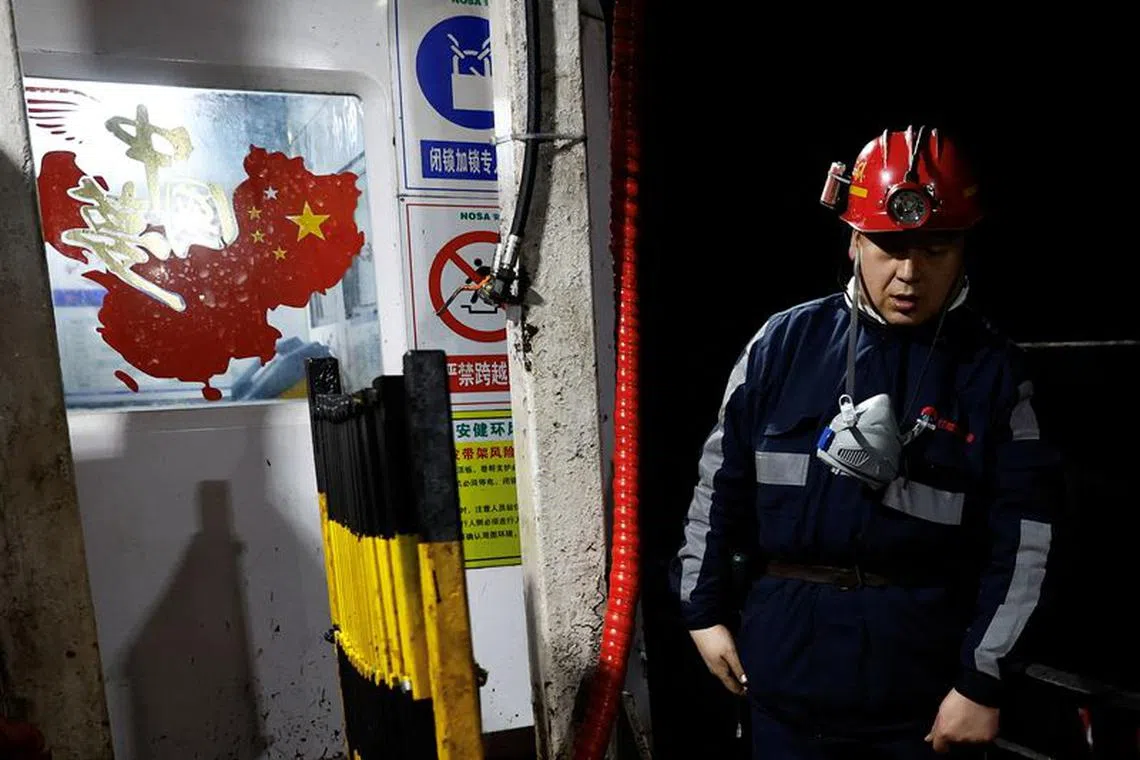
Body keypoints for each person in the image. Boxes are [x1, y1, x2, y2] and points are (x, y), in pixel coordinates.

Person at [673, 125, 1063, 757]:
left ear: (963, 250)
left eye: (935, 250)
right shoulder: (782, 345)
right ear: (855, 241)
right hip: (784, 674)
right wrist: (702, 611)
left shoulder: (992, 374)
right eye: (888, 246)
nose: (908, 273)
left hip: (917, 691)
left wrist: (981, 682)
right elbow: (720, 484)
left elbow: (1025, 542)